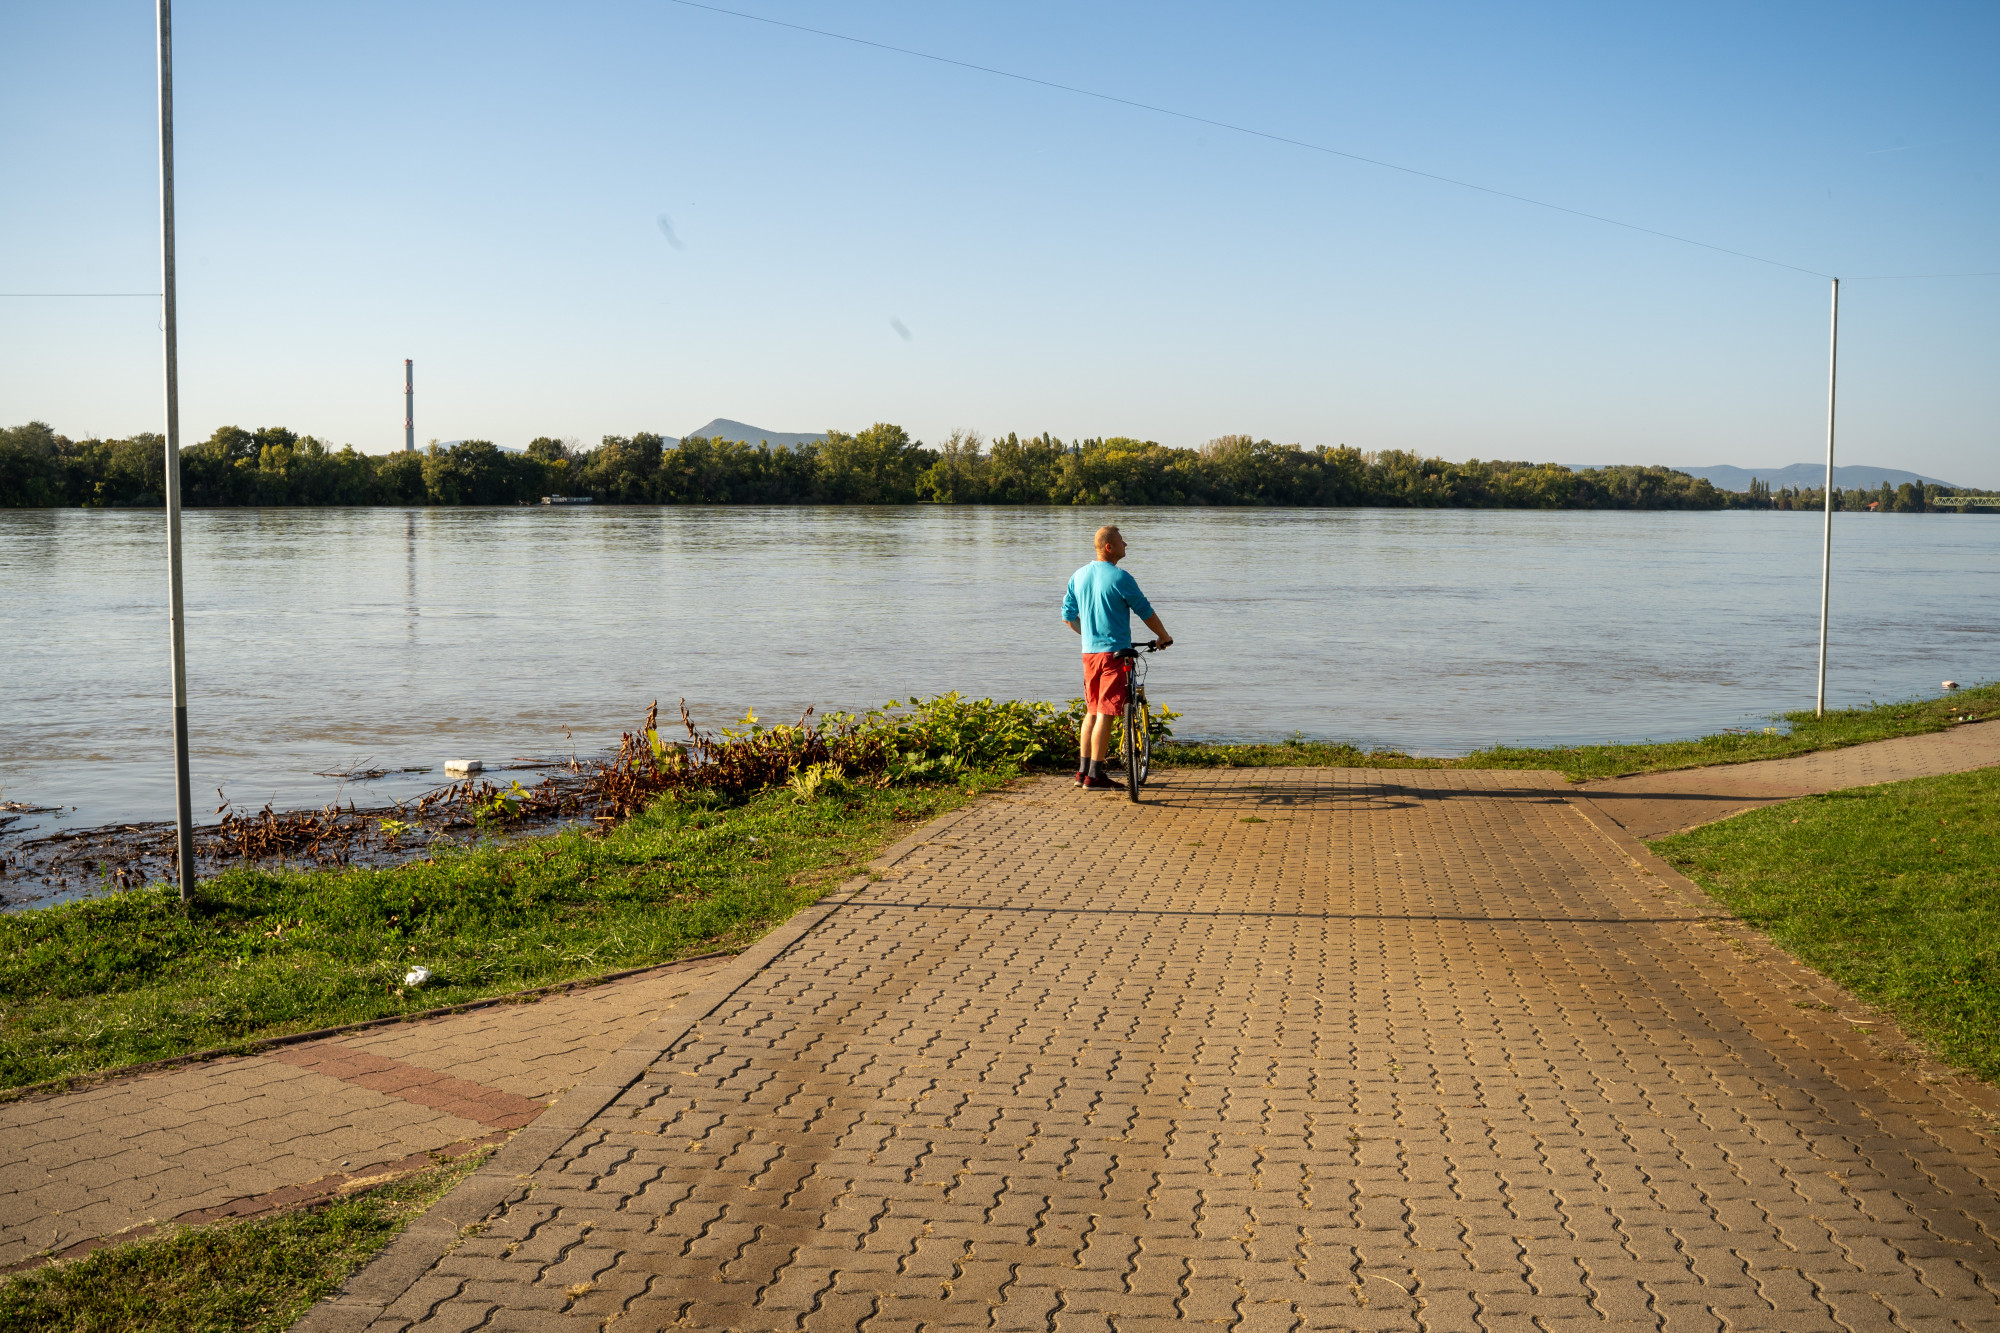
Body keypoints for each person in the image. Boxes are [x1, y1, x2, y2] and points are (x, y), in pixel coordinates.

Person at [1061, 525, 1173, 789]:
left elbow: (1067, 616)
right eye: (1123, 541)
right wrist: (1163, 636)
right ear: (1109, 547)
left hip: (1089, 653)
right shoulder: (1120, 578)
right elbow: (1145, 611)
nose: (1126, 545)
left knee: (1091, 711)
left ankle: (1082, 771)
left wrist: (1088, 634)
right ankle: (1095, 775)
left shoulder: (1078, 575)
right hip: (1115, 655)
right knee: (1106, 713)